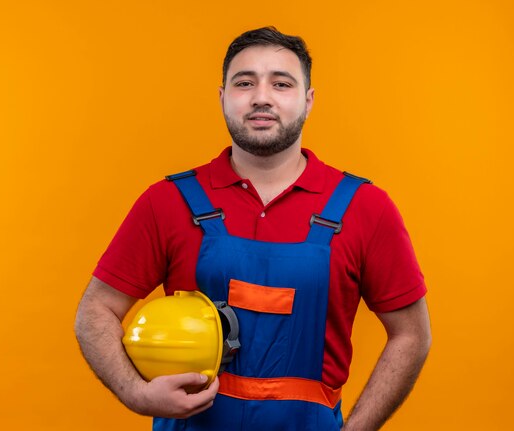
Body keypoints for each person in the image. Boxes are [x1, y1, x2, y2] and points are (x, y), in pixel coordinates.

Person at [75, 26, 431, 431]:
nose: (262, 97)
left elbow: (411, 335)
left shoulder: (366, 208)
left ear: (308, 100)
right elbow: (94, 311)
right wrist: (135, 394)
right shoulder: (167, 202)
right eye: (245, 83)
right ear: (222, 97)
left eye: (281, 83)